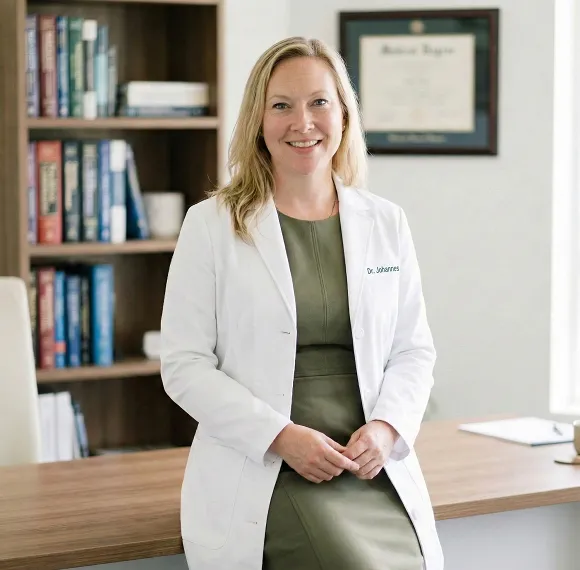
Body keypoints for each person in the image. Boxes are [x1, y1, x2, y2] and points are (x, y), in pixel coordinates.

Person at [160, 36, 443, 570]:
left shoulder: (386, 222)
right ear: (258, 120)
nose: (303, 122)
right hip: (272, 468)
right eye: (282, 105)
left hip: (368, 467)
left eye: (319, 103)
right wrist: (280, 437)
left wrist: (387, 429)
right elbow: (184, 366)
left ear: (343, 114)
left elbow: (413, 351)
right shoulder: (212, 226)